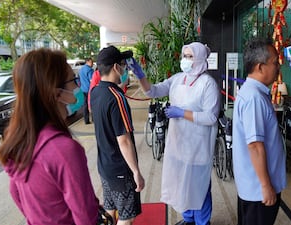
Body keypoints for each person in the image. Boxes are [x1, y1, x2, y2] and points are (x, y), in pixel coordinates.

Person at [0, 48, 99, 224]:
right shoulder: (64, 150)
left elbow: (15, 192)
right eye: (73, 81)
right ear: (56, 92)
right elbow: (86, 216)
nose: (78, 87)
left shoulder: (20, 140)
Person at [129, 42, 220, 225]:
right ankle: (188, 219)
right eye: (184, 56)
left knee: (198, 185)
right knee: (181, 183)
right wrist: (140, 75)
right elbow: (153, 91)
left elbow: (210, 116)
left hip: (198, 145)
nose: (185, 60)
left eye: (190, 56)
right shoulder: (178, 78)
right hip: (179, 143)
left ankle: (202, 221)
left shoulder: (208, 84)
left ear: (201, 58)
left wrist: (181, 113)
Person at [232, 38, 286, 225]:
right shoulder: (254, 98)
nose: (278, 67)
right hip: (258, 191)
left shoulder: (252, 93)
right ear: (260, 67)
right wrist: (266, 186)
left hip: (254, 187)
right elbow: (255, 145)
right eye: (274, 62)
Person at [90, 46, 145, 225]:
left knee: (110, 208)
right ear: (116, 67)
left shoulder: (96, 92)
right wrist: (136, 172)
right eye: (123, 64)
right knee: (127, 217)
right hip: (120, 169)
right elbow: (124, 141)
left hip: (104, 166)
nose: (124, 68)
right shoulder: (117, 98)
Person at [79, 57, 94, 124]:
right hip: (89, 89)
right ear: (87, 62)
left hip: (83, 89)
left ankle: (86, 120)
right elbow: (91, 80)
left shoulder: (81, 69)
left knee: (85, 105)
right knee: (92, 104)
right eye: (91, 62)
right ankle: (94, 119)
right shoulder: (90, 70)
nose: (92, 63)